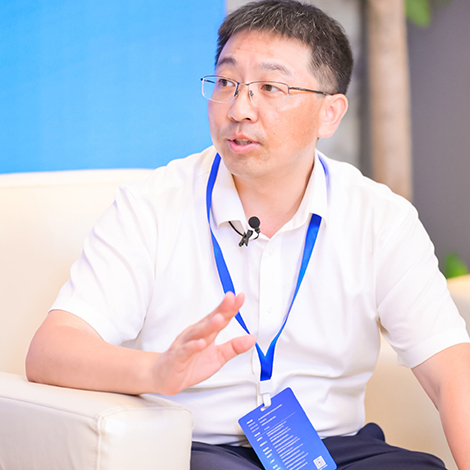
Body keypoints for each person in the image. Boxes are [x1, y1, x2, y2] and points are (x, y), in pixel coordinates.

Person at [26, 1, 470, 469]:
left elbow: (451, 371)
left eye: (270, 87)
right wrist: (155, 371)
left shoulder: (380, 217)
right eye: (226, 82)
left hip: (332, 449)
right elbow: (51, 350)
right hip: (199, 447)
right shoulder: (152, 206)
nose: (239, 109)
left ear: (330, 113)